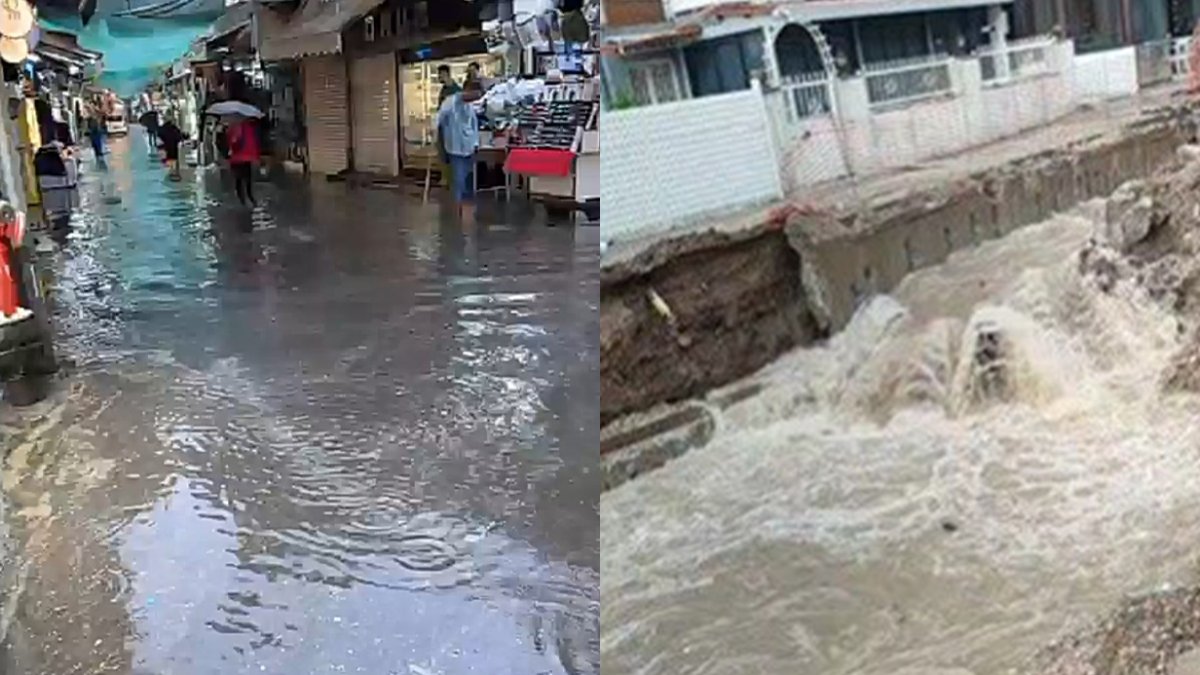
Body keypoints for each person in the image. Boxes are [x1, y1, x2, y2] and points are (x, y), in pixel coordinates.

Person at [437, 83, 482, 219]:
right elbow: (439, 120)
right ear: (467, 91)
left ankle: (466, 209)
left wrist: (476, 143)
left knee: (467, 178)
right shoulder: (450, 103)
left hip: (468, 147)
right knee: (458, 178)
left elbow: (473, 125)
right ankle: (457, 209)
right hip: (454, 146)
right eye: (474, 95)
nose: (474, 99)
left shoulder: (469, 106)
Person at [226, 116, 260, 206]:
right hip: (248, 158)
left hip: (238, 158)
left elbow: (233, 143)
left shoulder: (235, 128)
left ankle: (242, 200)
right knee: (248, 179)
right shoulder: (251, 128)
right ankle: (251, 198)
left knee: (239, 180)